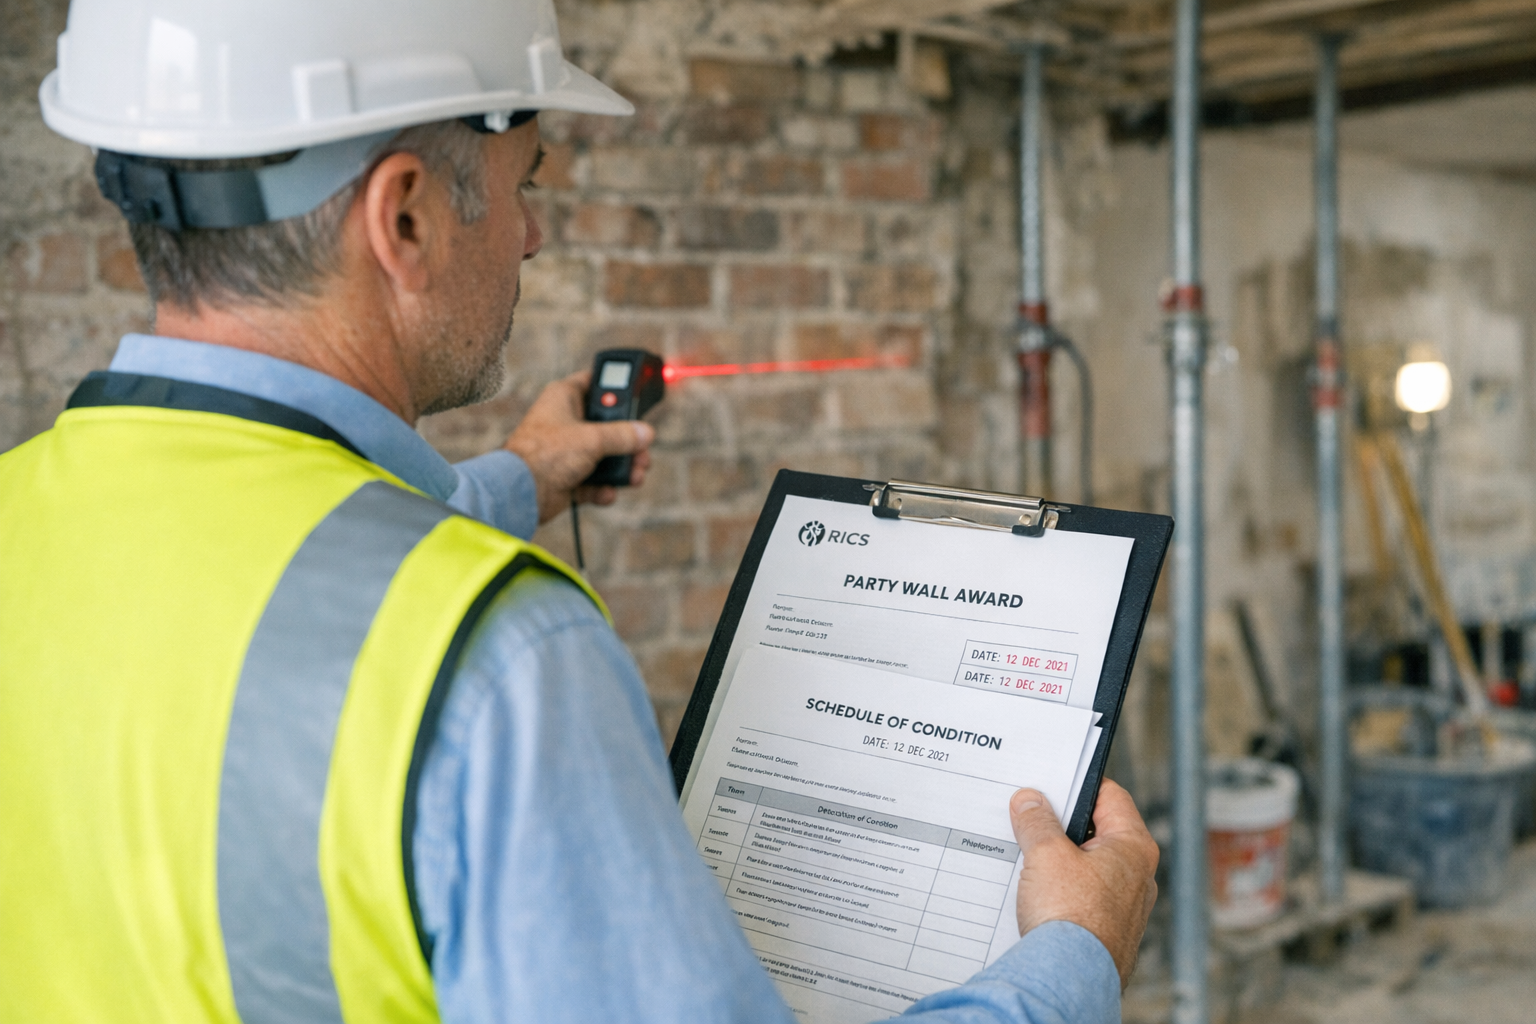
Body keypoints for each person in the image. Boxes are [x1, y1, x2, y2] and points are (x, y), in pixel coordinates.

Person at [0, 0, 1160, 1021]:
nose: (534, 236)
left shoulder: (26, 510)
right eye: (526, 186)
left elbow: (265, 602)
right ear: (402, 218)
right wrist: (1071, 956)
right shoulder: (502, 657)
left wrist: (519, 480)